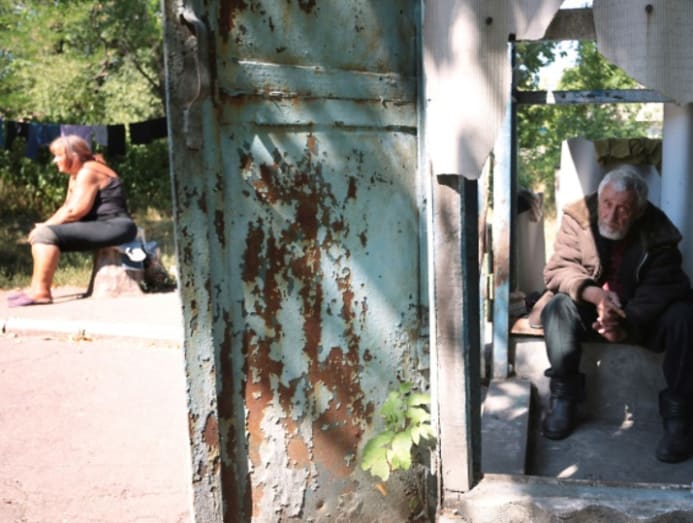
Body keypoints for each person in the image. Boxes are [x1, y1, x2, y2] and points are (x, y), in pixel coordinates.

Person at [532, 165, 693, 463]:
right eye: (606, 204)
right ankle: (564, 398)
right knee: (557, 307)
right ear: (599, 198)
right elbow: (559, 269)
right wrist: (596, 296)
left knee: (684, 316)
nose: (610, 215)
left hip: (641, 316)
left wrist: (624, 324)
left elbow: (663, 287)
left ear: (639, 211)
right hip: (589, 309)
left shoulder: (659, 231)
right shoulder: (578, 218)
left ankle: (679, 419)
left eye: (623, 209)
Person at [7, 135, 137, 307]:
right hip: (101, 225)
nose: (55, 160)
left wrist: (45, 227)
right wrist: (45, 225)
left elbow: (74, 211)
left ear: (73, 156)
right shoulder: (77, 174)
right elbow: (66, 206)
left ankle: (40, 293)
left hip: (115, 226)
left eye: (58, 155)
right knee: (43, 233)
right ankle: (36, 289)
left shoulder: (88, 171)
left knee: (44, 235)